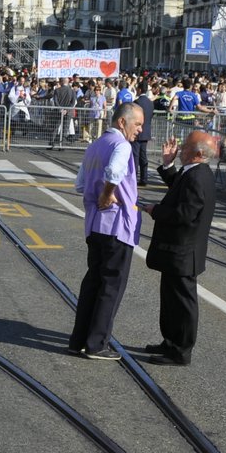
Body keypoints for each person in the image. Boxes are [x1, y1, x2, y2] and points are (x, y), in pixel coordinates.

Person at [68, 102, 142, 360]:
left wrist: (97, 193)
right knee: (111, 285)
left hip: (94, 224)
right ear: (123, 122)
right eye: (138, 124)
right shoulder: (121, 145)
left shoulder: (96, 144)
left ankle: (78, 339)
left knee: (93, 282)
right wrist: (107, 193)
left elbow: (79, 184)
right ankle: (97, 343)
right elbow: (115, 171)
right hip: (116, 225)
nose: (140, 131)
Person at [141, 131, 218, 367]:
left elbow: (185, 213)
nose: (179, 149)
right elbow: (178, 188)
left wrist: (155, 210)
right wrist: (167, 164)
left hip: (184, 251)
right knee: (170, 298)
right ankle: (170, 341)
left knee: (183, 302)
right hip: (177, 251)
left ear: (197, 153)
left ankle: (181, 350)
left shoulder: (197, 176)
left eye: (184, 146)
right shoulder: (194, 172)